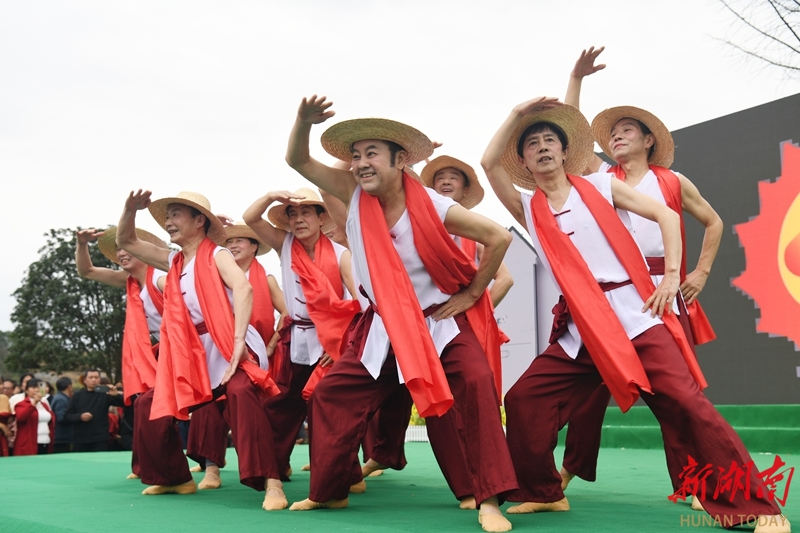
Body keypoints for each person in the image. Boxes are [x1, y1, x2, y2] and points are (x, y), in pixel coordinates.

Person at [481, 98, 788, 533]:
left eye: (551, 139)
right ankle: (544, 491)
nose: (543, 147)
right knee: (524, 398)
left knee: (686, 402)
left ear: (566, 152)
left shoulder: (603, 187)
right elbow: (488, 162)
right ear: (524, 160)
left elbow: (664, 214)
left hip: (634, 314)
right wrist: (515, 114)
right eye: (533, 144)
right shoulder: (528, 208)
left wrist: (672, 277)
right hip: (583, 328)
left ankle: (761, 506)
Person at [285, 95, 517, 533]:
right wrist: (303, 121)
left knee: (477, 382)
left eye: (372, 153)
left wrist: (471, 295)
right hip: (382, 328)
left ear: (399, 161)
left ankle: (489, 499)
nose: (361, 163)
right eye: (356, 156)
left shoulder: (433, 204)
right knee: (332, 395)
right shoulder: (353, 197)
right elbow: (297, 159)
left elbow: (497, 238)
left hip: (438, 323)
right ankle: (329, 491)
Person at [556, 47, 724, 497]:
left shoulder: (671, 181)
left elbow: (714, 221)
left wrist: (698, 273)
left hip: (661, 294)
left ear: (649, 140)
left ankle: (693, 480)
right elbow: (569, 134)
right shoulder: (599, 178)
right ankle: (566, 473)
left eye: (626, 130)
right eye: (612, 134)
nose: (616, 137)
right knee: (591, 392)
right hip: (610, 295)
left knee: (675, 392)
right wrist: (576, 79)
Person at [116, 190, 286, 510]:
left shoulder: (217, 254)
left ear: (199, 221)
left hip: (228, 343)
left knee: (240, 393)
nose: (169, 222)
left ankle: (272, 482)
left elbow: (243, 286)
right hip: (190, 352)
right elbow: (126, 240)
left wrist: (237, 343)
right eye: (168, 216)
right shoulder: (173, 260)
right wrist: (129, 210)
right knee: (150, 404)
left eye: (176, 214)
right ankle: (174, 478)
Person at [243, 188, 360, 484]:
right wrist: (270, 196)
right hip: (294, 337)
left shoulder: (341, 254)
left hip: (331, 339)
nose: (298, 220)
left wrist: (340, 346)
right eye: (292, 214)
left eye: (306, 212)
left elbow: (360, 302)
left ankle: (346, 473)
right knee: (280, 405)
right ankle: (273, 469)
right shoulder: (285, 244)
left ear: (322, 218)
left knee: (328, 406)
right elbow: (250, 218)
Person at [76, 227, 168, 473]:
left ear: (142, 249)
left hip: (188, 349)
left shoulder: (160, 278)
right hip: (165, 350)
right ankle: (144, 466)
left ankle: (179, 470)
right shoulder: (130, 281)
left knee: (152, 403)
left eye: (126, 248)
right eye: (118, 250)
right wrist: (82, 244)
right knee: (142, 403)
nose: (121, 254)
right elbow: (87, 271)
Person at [64, 369, 124, 452]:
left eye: (96, 377)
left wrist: (116, 395)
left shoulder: (105, 393)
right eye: (91, 377)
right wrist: (80, 417)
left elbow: (124, 404)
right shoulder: (77, 396)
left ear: (99, 379)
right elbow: (67, 416)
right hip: (81, 439)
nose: (93, 380)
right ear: (85, 380)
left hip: (100, 439)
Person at [14, 378, 55, 455]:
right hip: (29, 443)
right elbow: (21, 417)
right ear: (26, 390)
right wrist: (34, 403)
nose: (36, 390)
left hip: (45, 440)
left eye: (39, 387)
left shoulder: (44, 405)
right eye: (33, 387)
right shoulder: (22, 404)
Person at [50, 377, 74, 454]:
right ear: (69, 386)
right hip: (61, 437)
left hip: (63, 436)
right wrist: (76, 417)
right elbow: (61, 417)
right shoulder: (61, 399)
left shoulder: (62, 398)